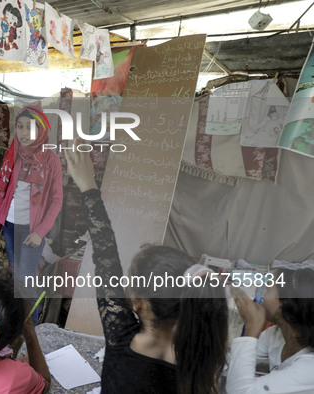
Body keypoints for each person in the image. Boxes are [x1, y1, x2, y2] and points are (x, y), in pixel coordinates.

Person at [64, 148, 228, 394]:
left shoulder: (121, 336)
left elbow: (104, 252)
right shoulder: (201, 356)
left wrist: (88, 186)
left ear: (138, 302)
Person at [0, 105, 63, 321]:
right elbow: (2, 195)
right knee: (16, 278)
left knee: (26, 280)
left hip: (32, 230)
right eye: (19, 126)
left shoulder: (51, 160)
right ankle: (19, 324)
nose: (23, 132)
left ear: (40, 130)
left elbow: (57, 201)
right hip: (10, 226)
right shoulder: (13, 154)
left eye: (29, 127)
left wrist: (40, 232)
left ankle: (33, 328)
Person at [227, 264, 314, 393]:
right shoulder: (276, 334)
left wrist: (252, 326)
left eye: (266, 289)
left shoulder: (309, 368)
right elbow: (232, 361)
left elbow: (239, 392)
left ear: (284, 306)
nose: (260, 294)